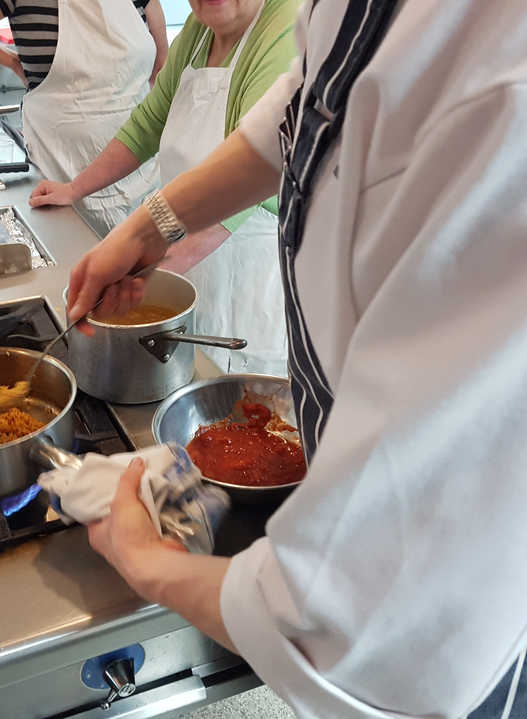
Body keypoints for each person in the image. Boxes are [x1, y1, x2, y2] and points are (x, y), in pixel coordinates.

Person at [65, 1, 527, 717]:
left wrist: (145, 562)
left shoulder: (502, 81)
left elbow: (364, 620)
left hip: (464, 654)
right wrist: (153, 222)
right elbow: (306, 102)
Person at [30, 0, 298, 375]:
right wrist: (76, 189)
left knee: (238, 396)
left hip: (245, 268)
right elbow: (149, 123)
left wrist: (147, 263)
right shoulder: (199, 27)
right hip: (187, 255)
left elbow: (248, 178)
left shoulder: (287, 24)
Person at [0, 0, 168, 237]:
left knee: (150, 264)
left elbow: (161, 71)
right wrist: (12, 61)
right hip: (60, 172)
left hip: (143, 173)